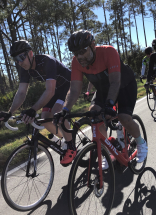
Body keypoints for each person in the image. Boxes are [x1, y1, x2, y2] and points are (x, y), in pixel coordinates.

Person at [54, 29, 148, 169]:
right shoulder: (76, 62)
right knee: (94, 114)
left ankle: (141, 143)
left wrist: (110, 104)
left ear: (93, 45)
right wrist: (65, 110)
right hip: (104, 89)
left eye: (82, 51)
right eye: (75, 53)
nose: (79, 56)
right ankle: (104, 153)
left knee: (124, 117)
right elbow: (74, 90)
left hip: (124, 85)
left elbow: (115, 82)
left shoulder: (108, 52)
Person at [0, 40, 73, 165]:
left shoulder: (47, 61)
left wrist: (33, 109)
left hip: (69, 84)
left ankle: (71, 146)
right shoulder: (25, 69)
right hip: (56, 89)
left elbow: (50, 90)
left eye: (21, 57)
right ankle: (65, 138)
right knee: (45, 118)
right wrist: (10, 112)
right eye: (16, 59)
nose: (19, 62)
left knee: (57, 112)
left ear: (30, 53)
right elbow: (21, 93)